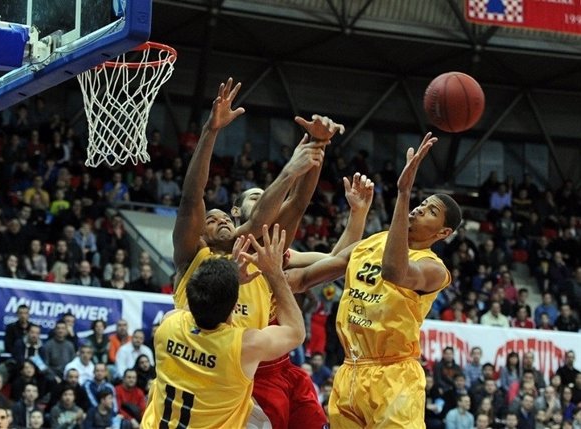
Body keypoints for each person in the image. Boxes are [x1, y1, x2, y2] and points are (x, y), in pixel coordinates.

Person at [171, 78, 345, 429]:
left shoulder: (259, 253)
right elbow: (192, 197)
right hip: (206, 374)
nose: (218, 219)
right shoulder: (193, 258)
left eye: (224, 218)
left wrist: (317, 145)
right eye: (212, 219)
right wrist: (211, 130)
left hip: (245, 382)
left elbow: (293, 206)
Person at [286, 132, 462, 428]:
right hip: (349, 372)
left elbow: (395, 272)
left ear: (442, 233)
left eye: (431, 211)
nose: (420, 208)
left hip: (394, 377)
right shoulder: (371, 243)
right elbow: (304, 277)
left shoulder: (434, 269)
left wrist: (403, 194)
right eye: (423, 203)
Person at [142, 224, 305, 428]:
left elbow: (193, 302)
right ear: (235, 306)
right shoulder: (243, 347)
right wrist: (274, 272)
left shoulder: (168, 324)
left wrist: (229, 279)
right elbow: (296, 332)